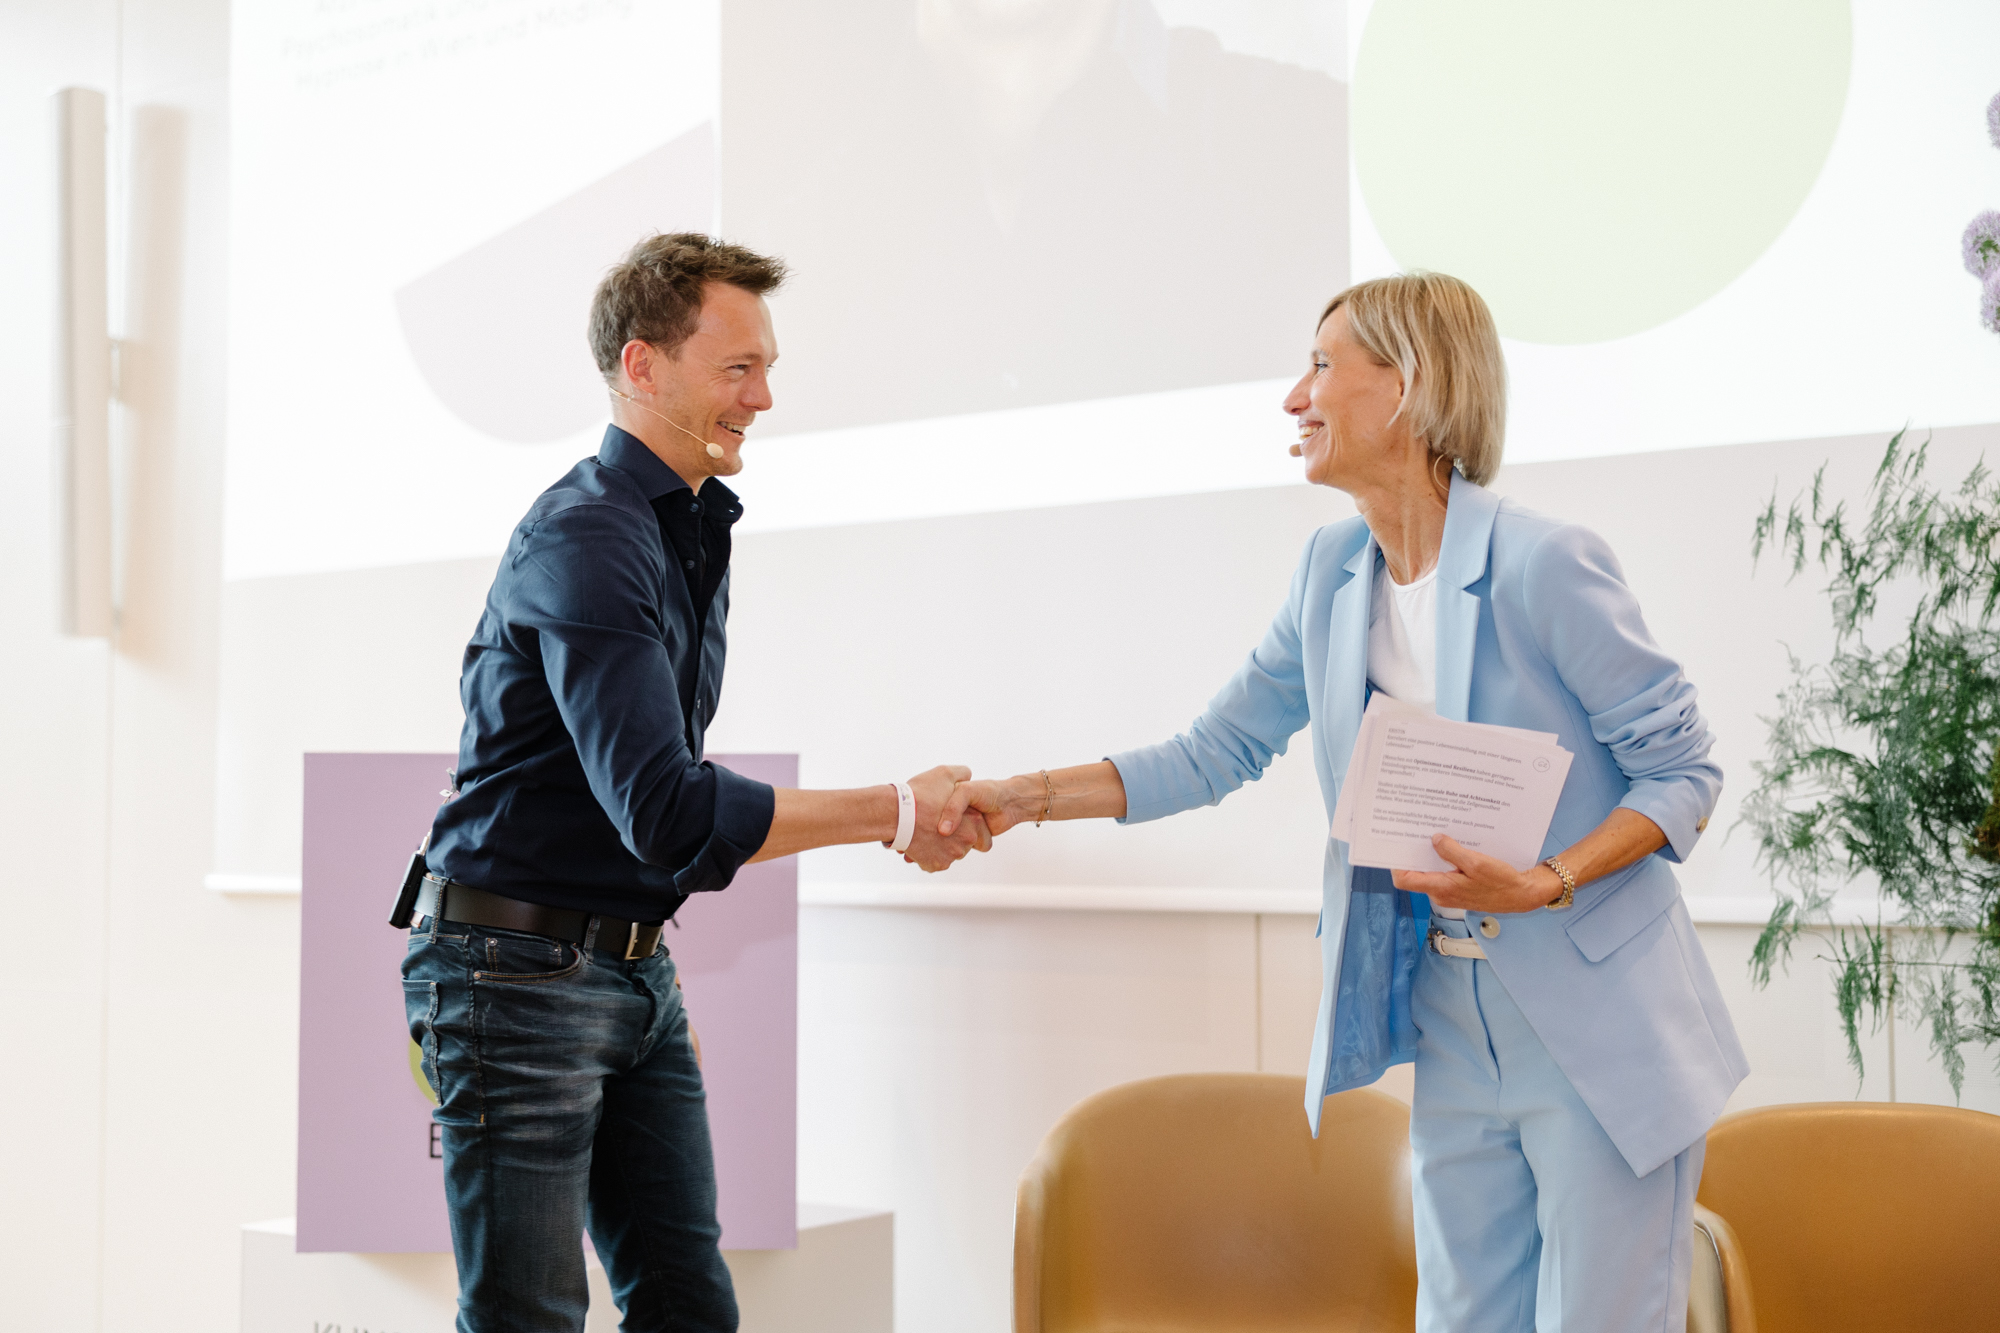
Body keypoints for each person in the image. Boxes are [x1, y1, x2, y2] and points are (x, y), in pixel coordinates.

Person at [942, 272, 1746, 1332]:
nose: (1294, 397)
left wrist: (1547, 879)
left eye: (1321, 366)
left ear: (1406, 385)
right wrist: (1026, 795)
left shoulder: (1543, 563)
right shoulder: (1330, 571)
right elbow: (1216, 748)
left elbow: (1683, 773)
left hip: (1598, 1027)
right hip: (1449, 1014)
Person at [404, 232, 991, 1333]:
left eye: (766, 367)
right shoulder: (588, 534)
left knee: (688, 1309)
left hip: (628, 967)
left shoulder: (682, 524)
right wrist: (898, 810)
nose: (763, 396)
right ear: (642, 366)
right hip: (511, 974)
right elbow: (665, 810)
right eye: (737, 367)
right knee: (529, 1317)